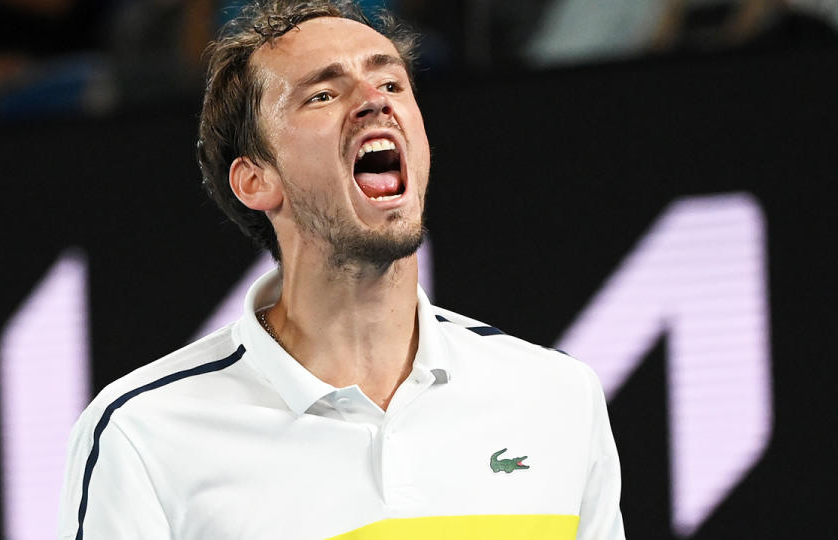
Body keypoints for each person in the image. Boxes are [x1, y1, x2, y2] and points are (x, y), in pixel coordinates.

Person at [58, 1, 626, 538]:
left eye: (390, 83)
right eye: (323, 94)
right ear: (255, 180)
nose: (375, 101)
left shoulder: (557, 397)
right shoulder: (143, 434)